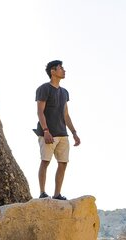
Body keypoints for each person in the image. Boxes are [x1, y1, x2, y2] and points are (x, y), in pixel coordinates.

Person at [34, 59, 80, 200]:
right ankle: (42, 192)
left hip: (62, 133)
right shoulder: (44, 89)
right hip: (48, 133)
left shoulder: (65, 92)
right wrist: (46, 130)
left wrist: (74, 133)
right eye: (61, 68)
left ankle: (57, 194)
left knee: (63, 163)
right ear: (53, 71)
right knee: (45, 161)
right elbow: (40, 112)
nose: (64, 70)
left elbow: (66, 114)